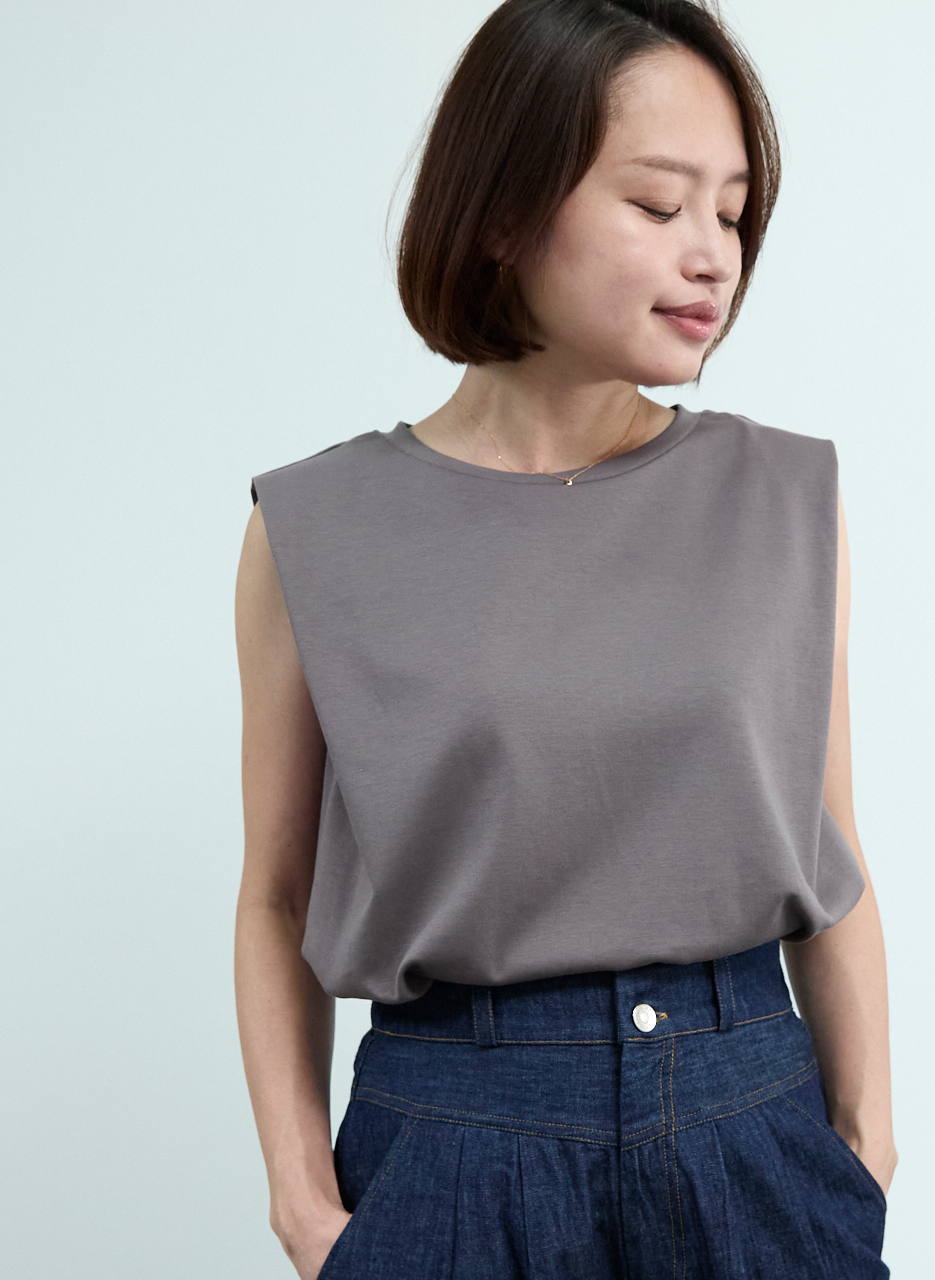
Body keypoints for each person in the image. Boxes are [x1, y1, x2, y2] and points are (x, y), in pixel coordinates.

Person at [233, 1, 896, 1276]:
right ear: (501, 211)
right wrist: (303, 1202)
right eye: (658, 205)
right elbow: (276, 891)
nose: (711, 256)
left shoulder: (782, 498)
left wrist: (859, 1156)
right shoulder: (314, 527)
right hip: (451, 1148)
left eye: (731, 213)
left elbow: (832, 853)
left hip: (751, 1132)